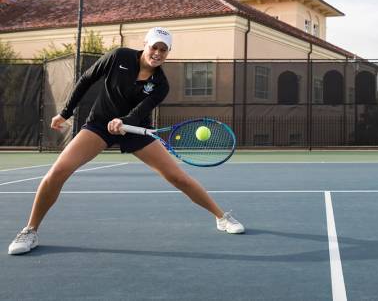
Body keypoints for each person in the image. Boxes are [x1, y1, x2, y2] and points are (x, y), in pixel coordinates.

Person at [8, 27, 244, 256]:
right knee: (58, 171)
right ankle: (30, 231)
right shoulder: (119, 56)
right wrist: (65, 113)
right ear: (145, 45)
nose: (158, 54)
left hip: (135, 129)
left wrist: (124, 121)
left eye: (164, 50)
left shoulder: (161, 84)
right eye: (155, 47)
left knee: (177, 177)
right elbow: (86, 79)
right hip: (99, 125)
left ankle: (222, 217)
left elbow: (142, 110)